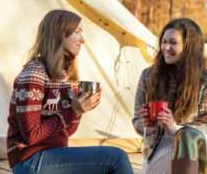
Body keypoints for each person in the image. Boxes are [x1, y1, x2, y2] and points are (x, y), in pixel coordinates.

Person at [7, 10, 133, 174]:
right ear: (59, 34)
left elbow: (66, 132)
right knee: (117, 158)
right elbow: (32, 135)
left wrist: (79, 110)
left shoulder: (64, 77)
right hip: (28, 159)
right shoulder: (33, 75)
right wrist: (73, 111)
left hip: (53, 154)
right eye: (77, 32)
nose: (83, 39)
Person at [132, 18, 207, 174]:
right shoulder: (148, 76)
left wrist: (176, 129)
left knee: (188, 137)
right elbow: (136, 120)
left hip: (198, 143)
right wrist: (149, 126)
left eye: (173, 42)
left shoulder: (206, 80)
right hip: (160, 146)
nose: (166, 47)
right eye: (164, 42)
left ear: (189, 47)